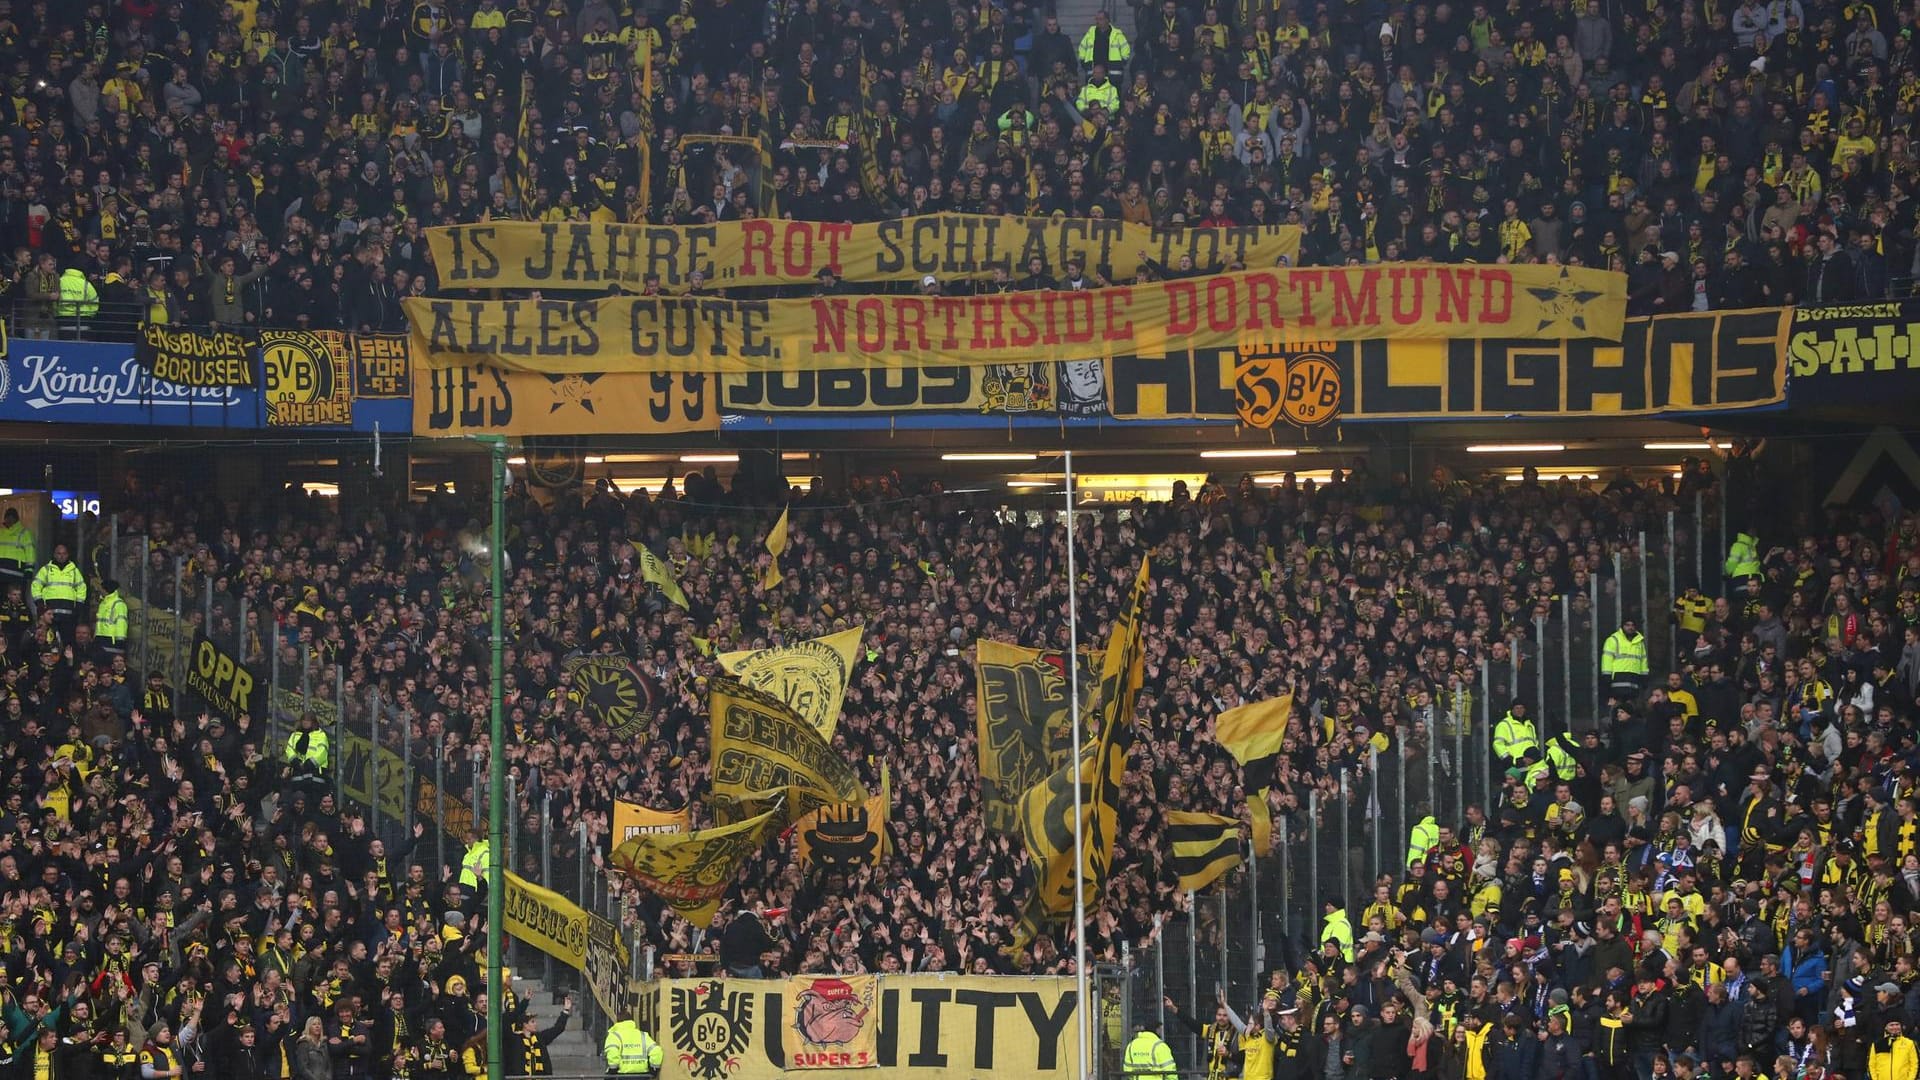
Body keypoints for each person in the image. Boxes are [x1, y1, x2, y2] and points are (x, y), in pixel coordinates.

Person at [503, 996, 572, 1077]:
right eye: (532, 1022)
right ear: (525, 1025)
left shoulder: (540, 1038)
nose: (536, 1024)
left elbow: (558, 1028)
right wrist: (525, 1001)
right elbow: (505, 1021)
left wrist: (566, 1010)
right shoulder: (514, 1040)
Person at [30, 542, 85, 642]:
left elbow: (81, 587)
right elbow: (36, 585)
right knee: (48, 641)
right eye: (59, 553)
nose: (61, 556)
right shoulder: (46, 570)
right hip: (50, 615)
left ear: (68, 555)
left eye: (64, 553)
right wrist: (40, 603)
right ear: (54, 555)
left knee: (66, 642)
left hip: (68, 616)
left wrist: (78, 606)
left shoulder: (74, 571)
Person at [1123, 1015, 1177, 1080]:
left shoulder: (1131, 1045)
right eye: (1160, 1029)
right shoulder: (1160, 1046)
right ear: (1156, 1030)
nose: (1161, 1032)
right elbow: (1169, 1069)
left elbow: (1127, 1069)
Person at [0, 507, 34, 593]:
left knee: (17, 602)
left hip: (17, 576)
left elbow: (30, 553)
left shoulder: (24, 533)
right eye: (7, 517)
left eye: (11, 517)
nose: (9, 519)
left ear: (16, 519)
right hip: (2, 576)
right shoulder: (1, 533)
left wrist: (29, 571)